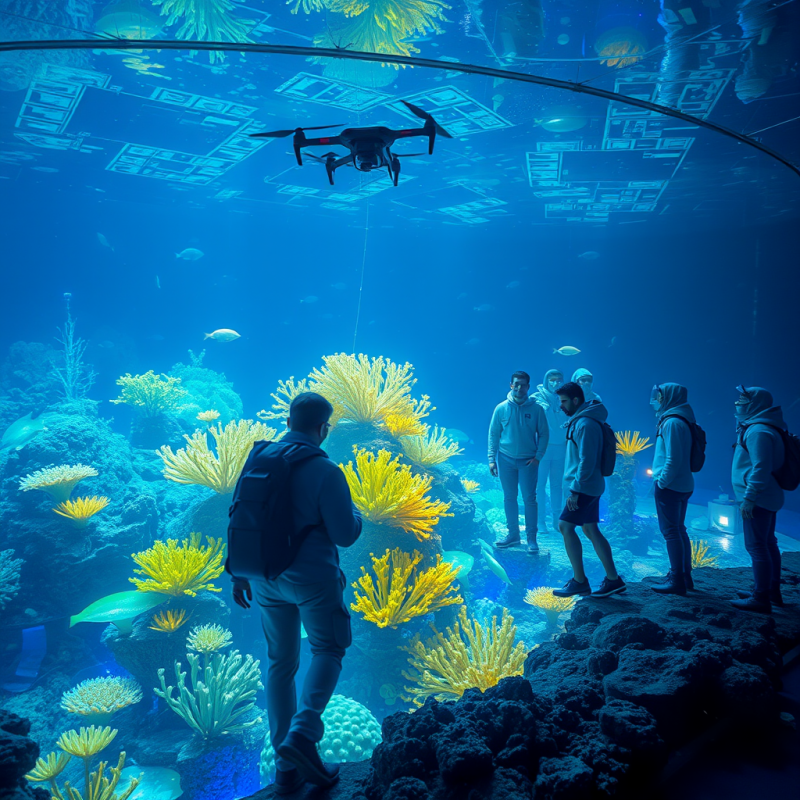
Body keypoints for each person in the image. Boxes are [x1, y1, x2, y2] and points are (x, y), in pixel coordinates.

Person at [231, 393, 362, 793]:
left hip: (263, 578)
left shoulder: (258, 459)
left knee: (280, 664)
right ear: (324, 428)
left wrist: (238, 574)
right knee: (328, 649)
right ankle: (303, 735)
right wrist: (356, 514)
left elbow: (239, 516)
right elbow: (345, 534)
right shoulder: (326, 470)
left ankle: (284, 769)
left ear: (289, 420)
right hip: (311, 580)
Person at [552, 382, 626, 597]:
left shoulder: (585, 424)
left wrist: (575, 489)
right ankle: (614, 580)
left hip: (584, 486)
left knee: (565, 526)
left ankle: (579, 581)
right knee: (590, 529)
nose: (562, 406)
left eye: (565, 401)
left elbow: (587, 460)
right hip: (589, 485)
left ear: (576, 400)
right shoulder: (582, 420)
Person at [730, 386, 786, 614]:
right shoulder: (765, 426)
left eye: (743, 398)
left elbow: (761, 468)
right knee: (769, 543)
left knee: (756, 547)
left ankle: (761, 598)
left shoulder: (758, 431)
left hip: (759, 498)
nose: (738, 402)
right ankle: (770, 591)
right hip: (767, 495)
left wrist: (749, 497)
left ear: (755, 403)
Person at [488, 370, 549, 552]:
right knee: (509, 498)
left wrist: (538, 457)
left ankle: (532, 538)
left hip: (528, 461)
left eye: (523, 385)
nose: (520, 388)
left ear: (528, 387)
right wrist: (492, 459)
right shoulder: (501, 408)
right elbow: (493, 434)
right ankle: (513, 535)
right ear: (511, 385)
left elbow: (545, 434)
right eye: (516, 384)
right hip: (505, 459)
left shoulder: (537, 409)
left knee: (530, 499)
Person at [649, 383, 696, 595]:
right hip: (683, 484)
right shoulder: (682, 418)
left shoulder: (672, 422)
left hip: (671, 486)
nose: (656, 399)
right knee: (679, 530)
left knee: (671, 532)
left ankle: (677, 578)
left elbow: (673, 459)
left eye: (659, 395)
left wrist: (661, 482)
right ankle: (685, 577)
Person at [534, 369, 567, 532]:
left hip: (560, 448)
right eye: (552, 380)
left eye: (559, 380)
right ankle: (540, 521)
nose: (556, 383)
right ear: (546, 380)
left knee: (557, 486)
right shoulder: (536, 398)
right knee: (539, 486)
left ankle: (556, 519)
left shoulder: (566, 399)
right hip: (541, 448)